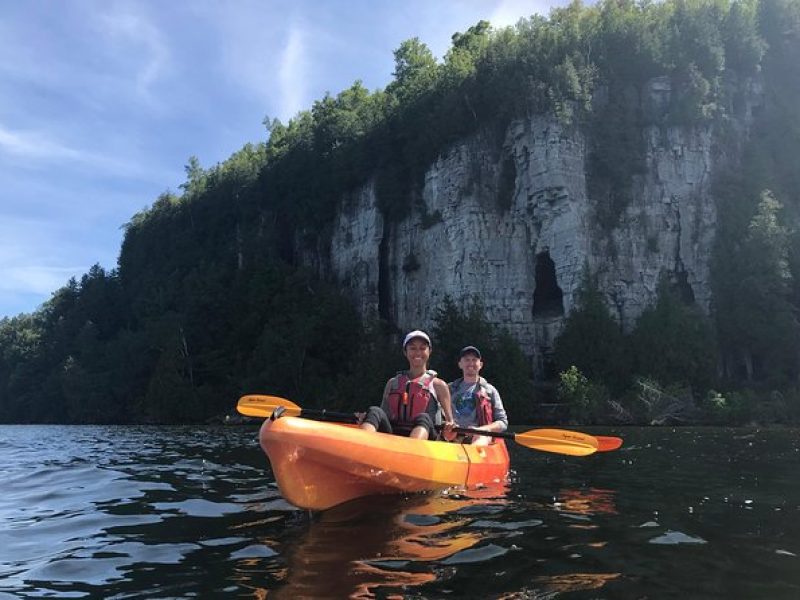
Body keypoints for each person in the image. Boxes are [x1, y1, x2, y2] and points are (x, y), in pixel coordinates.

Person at [359, 330, 455, 440]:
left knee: (423, 417)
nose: (418, 352)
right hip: (394, 434)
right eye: (413, 348)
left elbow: (450, 422)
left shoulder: (439, 385)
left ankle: (411, 448)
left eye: (422, 348)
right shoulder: (392, 383)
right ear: (405, 352)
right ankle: (362, 444)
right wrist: (368, 417)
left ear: (429, 351)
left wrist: (450, 427)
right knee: (374, 411)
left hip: (428, 436)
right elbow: (383, 414)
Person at [443, 345, 508, 446]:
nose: (471, 363)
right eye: (467, 360)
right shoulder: (448, 389)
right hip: (452, 436)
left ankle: (472, 456)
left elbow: (503, 422)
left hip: (479, 436)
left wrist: (481, 429)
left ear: (480, 364)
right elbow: (438, 416)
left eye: (474, 360)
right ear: (460, 364)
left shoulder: (490, 391)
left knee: (482, 436)